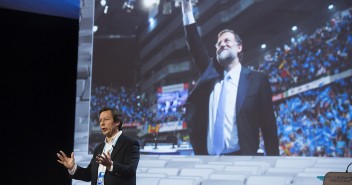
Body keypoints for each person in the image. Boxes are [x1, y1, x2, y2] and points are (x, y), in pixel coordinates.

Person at [181, 0, 279, 156]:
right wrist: (186, 7)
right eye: (218, 43)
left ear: (239, 47)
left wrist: (274, 163)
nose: (222, 44)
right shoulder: (210, 75)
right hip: (209, 161)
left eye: (227, 41)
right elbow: (194, 44)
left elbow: (269, 127)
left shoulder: (257, 80)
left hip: (242, 159)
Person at [57, 107, 140, 185]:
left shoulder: (130, 144)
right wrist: (72, 168)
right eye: (100, 120)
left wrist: (110, 165)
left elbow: (130, 171)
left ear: (117, 122)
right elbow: (89, 174)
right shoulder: (99, 148)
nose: (102, 123)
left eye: (106, 119)